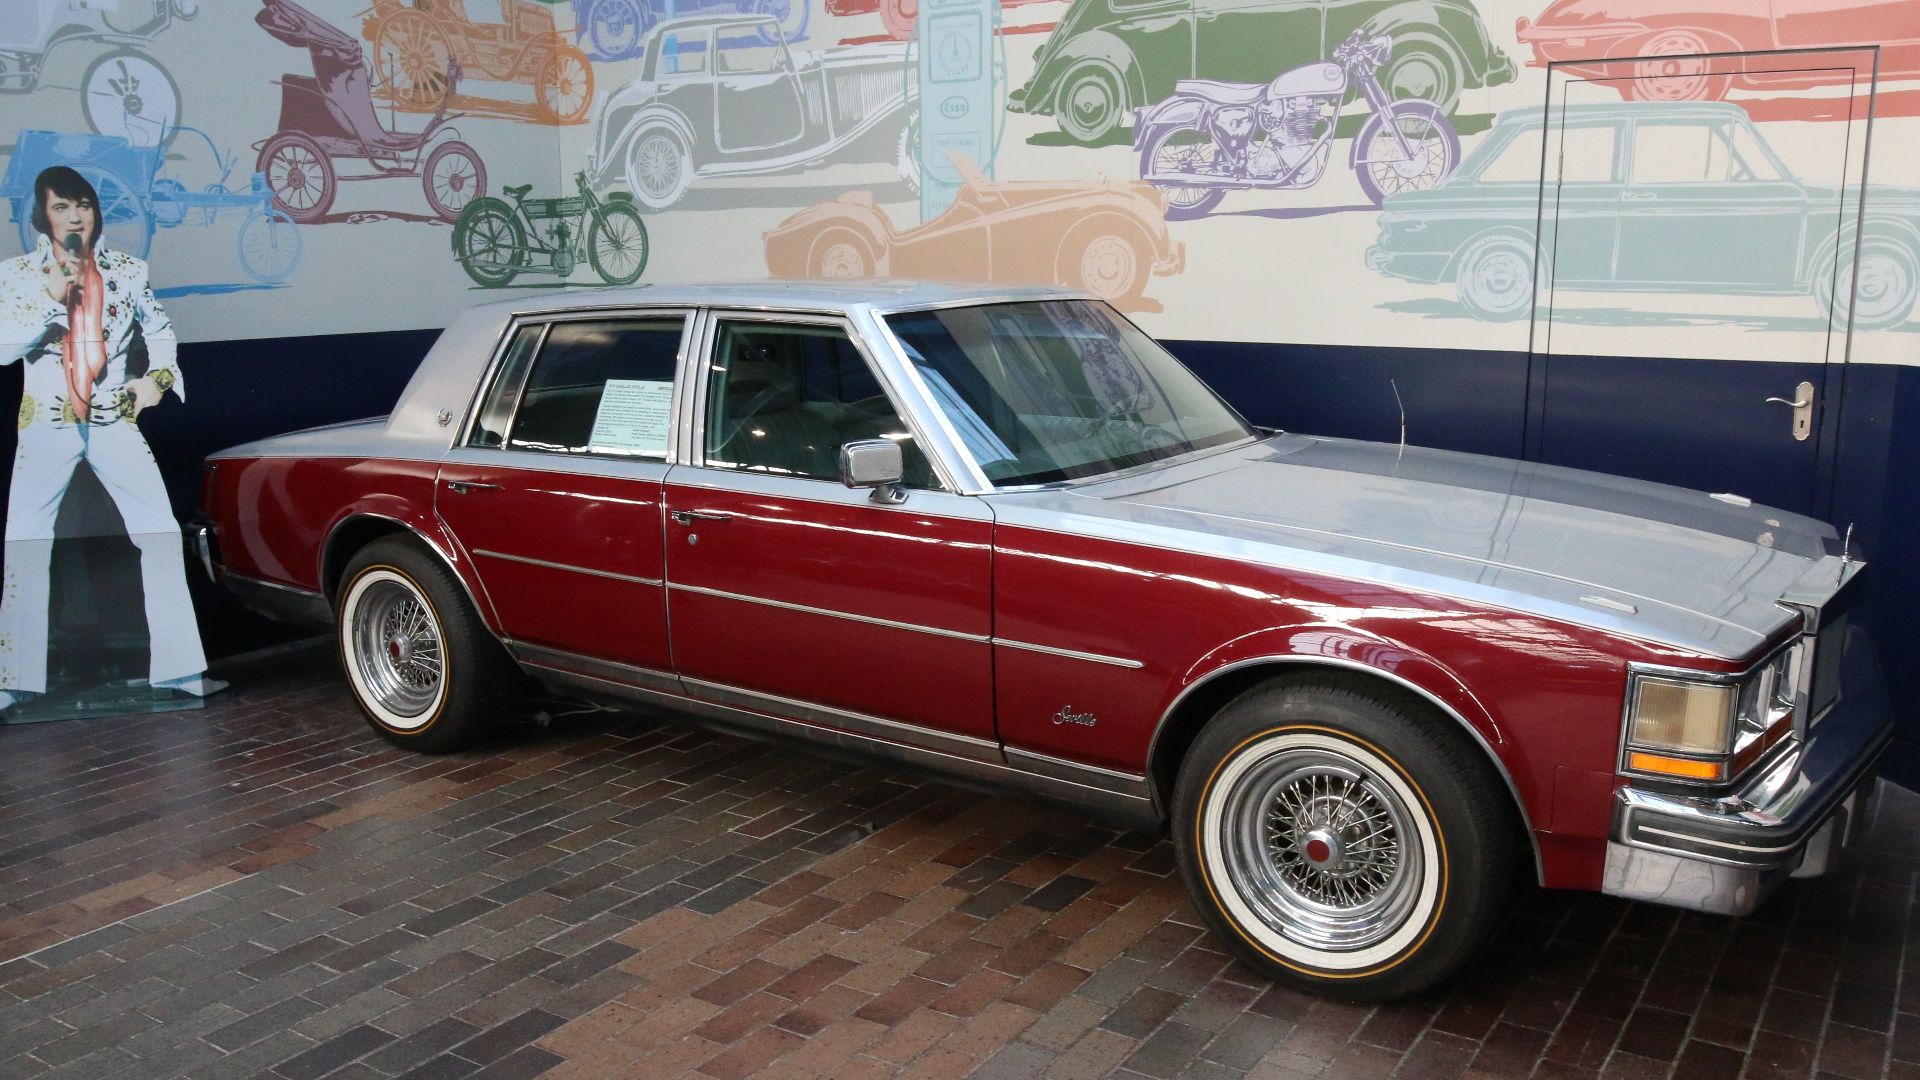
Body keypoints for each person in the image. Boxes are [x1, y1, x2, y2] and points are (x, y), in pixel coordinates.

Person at [0, 166, 221, 712]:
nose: (75, 217)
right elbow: (4, 345)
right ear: (41, 215)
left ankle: (181, 670)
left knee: (160, 532)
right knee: (24, 541)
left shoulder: (128, 269)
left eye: (83, 205)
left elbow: (162, 333)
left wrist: (156, 381)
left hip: (111, 415)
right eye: (61, 207)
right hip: (48, 420)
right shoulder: (18, 275)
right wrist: (55, 295)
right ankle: (14, 679)